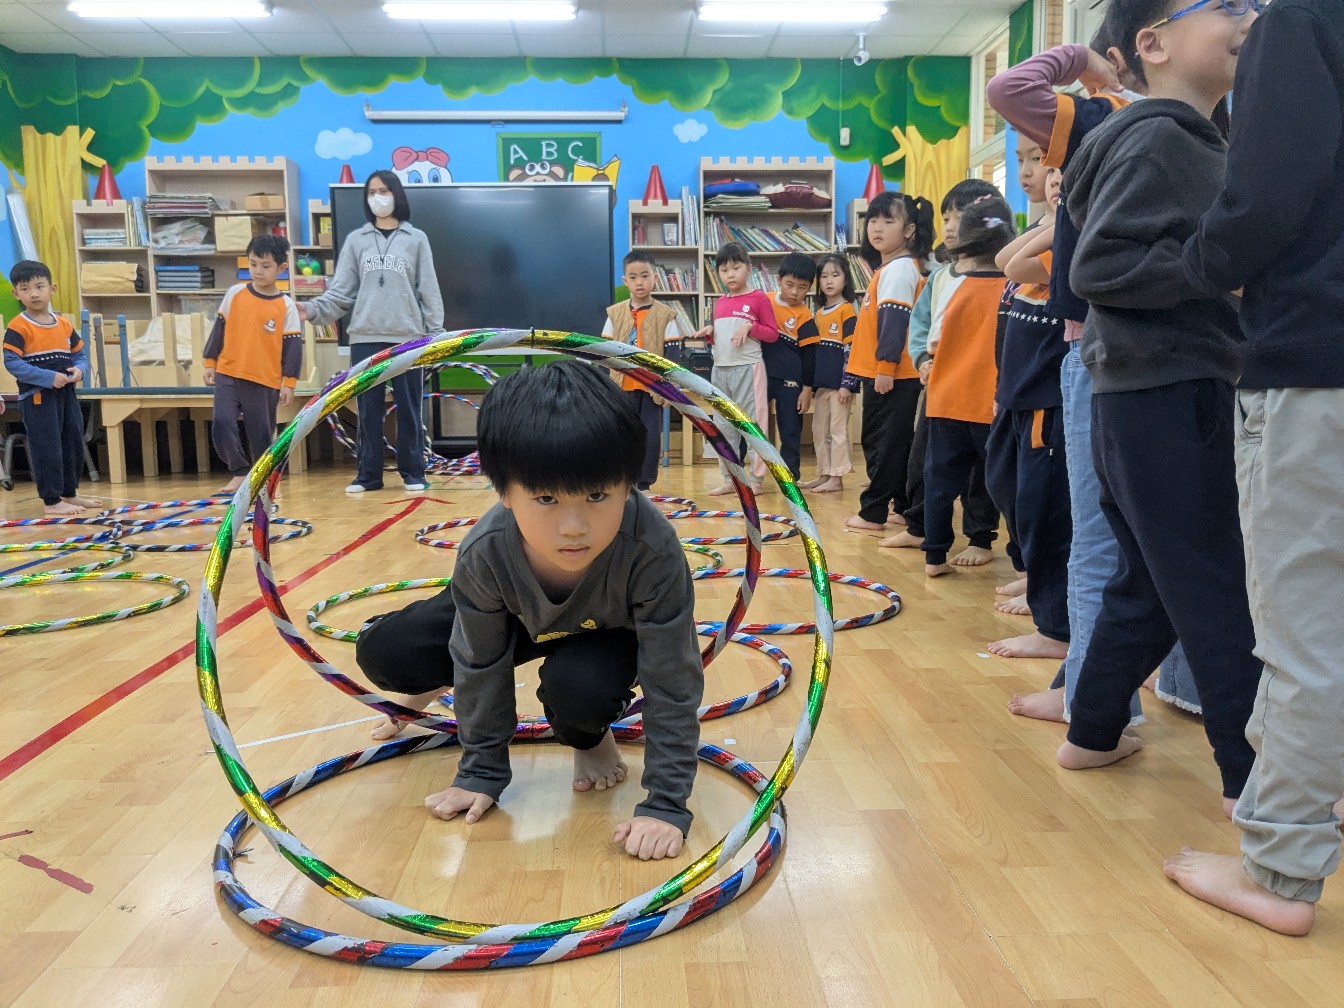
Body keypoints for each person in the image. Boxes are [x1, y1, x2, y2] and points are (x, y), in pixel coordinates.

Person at [353, 360, 704, 861]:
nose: (574, 526)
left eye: (597, 495)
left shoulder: (653, 550)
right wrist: (481, 772)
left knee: (578, 694)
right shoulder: (485, 551)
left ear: (630, 484)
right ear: (504, 493)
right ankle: (433, 682)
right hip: (510, 614)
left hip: (603, 630)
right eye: (545, 499)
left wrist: (666, 804)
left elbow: (672, 679)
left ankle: (589, 738)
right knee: (388, 652)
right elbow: (480, 662)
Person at [1162, 0, 1342, 938]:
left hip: (1317, 364)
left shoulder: (1304, 21)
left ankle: (1280, 866)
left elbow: (1266, 195)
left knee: (1304, 627)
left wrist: (1199, 263)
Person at [1056, 0, 1261, 814]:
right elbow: (1101, 265)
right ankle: (1256, 782)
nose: (1250, 17)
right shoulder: (1162, 137)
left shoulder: (1180, 137)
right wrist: (1221, 271)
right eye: (1227, 5)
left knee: (1148, 580)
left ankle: (1092, 729)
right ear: (1152, 43)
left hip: (1141, 391)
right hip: (1171, 388)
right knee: (1214, 584)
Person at [988, 29, 1200, 725]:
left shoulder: (1130, 117)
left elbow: (1010, 88)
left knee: (1114, 538)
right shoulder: (1131, 119)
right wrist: (1091, 67)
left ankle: (1099, 700)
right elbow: (1011, 91)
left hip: (1129, 356)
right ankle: (1096, 698)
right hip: (1131, 353)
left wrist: (1084, 62)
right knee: (1126, 538)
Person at [298, 170, 444, 494]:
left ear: (396, 194)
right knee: (367, 410)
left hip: (408, 337)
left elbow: (429, 290)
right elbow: (341, 293)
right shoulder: (357, 240)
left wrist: (435, 336)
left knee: (409, 409)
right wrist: (311, 309)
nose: (378, 197)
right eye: (372, 192)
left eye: (384, 190)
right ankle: (368, 476)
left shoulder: (416, 239)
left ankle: (413, 473)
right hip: (364, 336)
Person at [982, 138, 1071, 660]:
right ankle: (1037, 579)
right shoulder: (1052, 232)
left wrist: (1063, 219)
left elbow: (1010, 265)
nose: (1050, 177)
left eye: (1058, 169)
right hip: (1016, 395)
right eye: (1047, 169)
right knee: (1004, 484)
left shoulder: (1068, 246)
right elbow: (1003, 257)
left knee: (1043, 510)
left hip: (1045, 398)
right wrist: (1052, 218)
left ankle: (1054, 626)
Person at [879, 179, 1001, 558]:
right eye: (946, 217)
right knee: (925, 462)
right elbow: (920, 325)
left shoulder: (1005, 273)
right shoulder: (939, 277)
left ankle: (980, 538)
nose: (950, 226)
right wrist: (922, 359)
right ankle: (920, 529)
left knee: (982, 469)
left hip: (984, 390)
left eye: (959, 217)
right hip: (940, 388)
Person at [909, 196, 1015, 577]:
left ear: (964, 247)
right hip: (990, 402)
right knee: (1001, 483)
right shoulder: (1012, 288)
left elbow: (933, 342)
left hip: (945, 400)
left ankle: (934, 557)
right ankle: (1017, 560)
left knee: (939, 482)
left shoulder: (954, 287)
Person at [841, 191, 933, 534]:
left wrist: (884, 368)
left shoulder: (898, 269)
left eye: (888, 220)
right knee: (895, 443)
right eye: (873, 220)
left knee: (882, 444)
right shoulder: (895, 267)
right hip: (894, 372)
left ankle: (873, 512)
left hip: (892, 373)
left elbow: (894, 323)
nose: (877, 228)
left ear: (909, 230)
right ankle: (902, 507)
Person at [203, 234, 302, 495]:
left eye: (265, 266)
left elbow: (292, 348)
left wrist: (289, 383)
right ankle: (239, 472)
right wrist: (210, 362)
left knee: (261, 433)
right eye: (253, 264)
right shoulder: (235, 294)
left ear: (281, 268)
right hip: (228, 372)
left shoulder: (286, 306)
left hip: (264, 380)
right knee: (222, 422)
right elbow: (219, 330)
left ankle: (264, 479)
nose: (258, 271)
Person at [2, 260, 100, 516]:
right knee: (48, 447)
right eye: (25, 289)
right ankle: (52, 500)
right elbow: (12, 363)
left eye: (39, 286)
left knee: (72, 443)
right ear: (16, 293)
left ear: (52, 289)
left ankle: (69, 493)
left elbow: (79, 355)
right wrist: (47, 378)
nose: (34, 294)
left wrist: (79, 370)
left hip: (67, 395)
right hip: (37, 398)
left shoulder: (64, 324)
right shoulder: (17, 326)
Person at [693, 242, 777, 496]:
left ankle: (756, 480)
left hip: (748, 370)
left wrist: (750, 327)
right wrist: (710, 332)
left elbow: (772, 334)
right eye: (724, 270)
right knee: (723, 427)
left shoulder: (759, 298)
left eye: (736, 268)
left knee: (752, 425)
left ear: (748, 269)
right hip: (720, 370)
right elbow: (724, 338)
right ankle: (730, 479)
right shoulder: (719, 302)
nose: (730, 274)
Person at [601, 250, 682, 491]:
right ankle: (621, 481)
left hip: (651, 389)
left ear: (655, 278)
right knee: (620, 435)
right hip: (620, 388)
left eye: (645, 276)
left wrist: (670, 388)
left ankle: (644, 484)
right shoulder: (614, 314)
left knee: (650, 437)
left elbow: (672, 356)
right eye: (633, 277)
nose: (639, 282)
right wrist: (603, 387)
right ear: (625, 281)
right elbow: (603, 353)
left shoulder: (666, 316)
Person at [798, 253, 856, 493]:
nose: (829, 281)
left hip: (840, 386)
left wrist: (847, 384)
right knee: (819, 430)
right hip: (822, 386)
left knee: (837, 430)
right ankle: (824, 473)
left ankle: (837, 477)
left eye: (835, 275)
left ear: (845, 279)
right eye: (824, 276)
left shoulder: (847, 311)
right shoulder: (819, 314)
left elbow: (851, 350)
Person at [762, 252, 816, 482]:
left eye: (802, 287)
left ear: (810, 288)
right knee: (750, 424)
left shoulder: (805, 316)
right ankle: (748, 475)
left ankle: (790, 478)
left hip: (791, 383)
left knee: (791, 431)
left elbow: (810, 356)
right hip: (761, 378)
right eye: (789, 284)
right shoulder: (764, 301)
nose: (795, 292)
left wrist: (807, 389)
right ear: (778, 280)